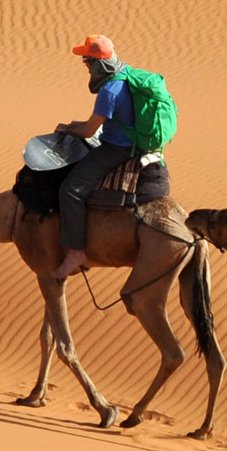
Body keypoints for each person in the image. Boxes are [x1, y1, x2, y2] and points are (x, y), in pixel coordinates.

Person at [49, 34, 143, 278]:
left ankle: (76, 252)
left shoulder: (109, 91)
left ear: (98, 64)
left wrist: (69, 128)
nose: (87, 68)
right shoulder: (128, 76)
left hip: (118, 148)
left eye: (87, 63)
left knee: (70, 190)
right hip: (134, 142)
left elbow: (89, 130)